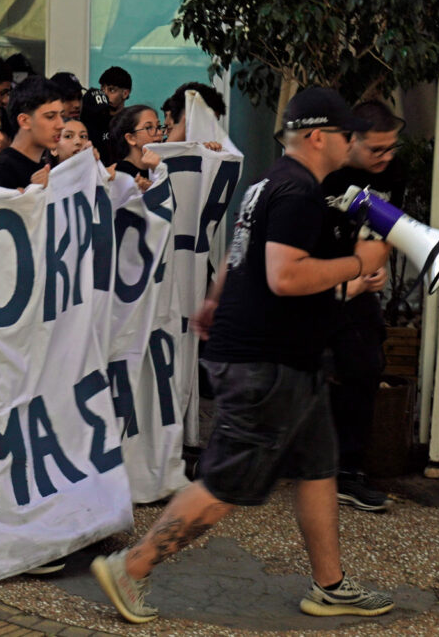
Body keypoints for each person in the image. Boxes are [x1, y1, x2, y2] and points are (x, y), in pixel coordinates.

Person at [91, 87, 395, 623]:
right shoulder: (300, 192)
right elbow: (284, 276)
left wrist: (214, 301)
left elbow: (238, 251)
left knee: (318, 467)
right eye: (347, 135)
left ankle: (330, 584)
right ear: (319, 136)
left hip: (287, 358)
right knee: (225, 482)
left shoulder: (267, 184)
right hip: (268, 360)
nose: (352, 143)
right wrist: (357, 262)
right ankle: (129, 568)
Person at [321, 100, 406, 513]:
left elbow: (388, 225)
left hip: (360, 281)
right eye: (377, 150)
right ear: (349, 140)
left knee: (365, 364)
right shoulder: (322, 170)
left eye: (392, 148)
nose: (386, 158)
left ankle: (348, 471)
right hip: (312, 279)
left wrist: (377, 268)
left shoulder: (392, 170)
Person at [0, 76, 63, 190]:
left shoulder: (46, 162)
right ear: (25, 121)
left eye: (61, 115)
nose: (61, 125)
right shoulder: (2, 170)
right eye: (50, 117)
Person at [109, 104, 163, 182]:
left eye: (158, 126)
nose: (159, 132)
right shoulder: (119, 174)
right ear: (131, 138)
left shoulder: (163, 165)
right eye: (149, 128)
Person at [162, 81, 227, 144]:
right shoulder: (156, 153)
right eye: (209, 124)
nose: (213, 132)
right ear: (187, 118)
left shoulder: (208, 151)